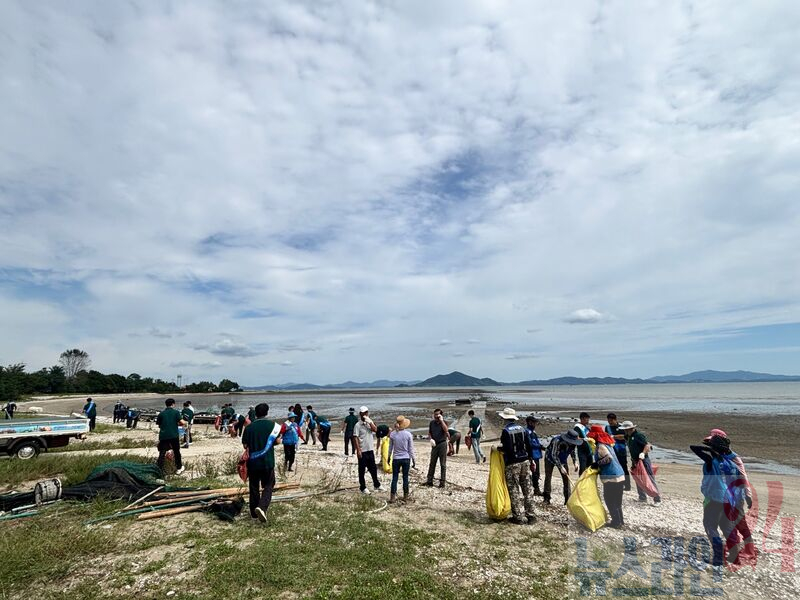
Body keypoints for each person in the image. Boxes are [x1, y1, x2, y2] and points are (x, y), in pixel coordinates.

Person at [690, 433, 748, 567]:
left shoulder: (712, 461)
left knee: (710, 526)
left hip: (715, 499)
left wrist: (711, 450)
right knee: (727, 528)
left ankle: (719, 558)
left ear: (714, 447)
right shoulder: (732, 465)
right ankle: (735, 558)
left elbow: (693, 448)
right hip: (730, 500)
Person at [242, 403, 281, 522]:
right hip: (267, 461)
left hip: (253, 462)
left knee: (254, 487)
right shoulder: (273, 425)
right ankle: (262, 507)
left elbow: (245, 445)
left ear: (256, 413)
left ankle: (254, 514)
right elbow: (277, 441)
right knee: (268, 485)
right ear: (267, 412)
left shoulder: (249, 427)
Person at [497, 408, 536, 524]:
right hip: (525, 461)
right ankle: (531, 515)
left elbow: (507, 448)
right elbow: (529, 445)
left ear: (505, 418)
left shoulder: (506, 431)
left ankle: (518, 517)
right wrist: (531, 459)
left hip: (513, 463)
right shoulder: (523, 429)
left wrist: (498, 449)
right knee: (527, 488)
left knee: (514, 489)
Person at [588, 425, 625, 528]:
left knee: (609, 499)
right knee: (617, 501)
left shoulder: (600, 446)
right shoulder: (608, 444)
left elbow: (608, 458)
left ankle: (616, 522)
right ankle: (620, 521)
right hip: (620, 475)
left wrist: (597, 464)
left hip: (611, 476)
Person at [619, 421, 661, 504]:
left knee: (649, 479)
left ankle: (657, 499)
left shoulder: (638, 436)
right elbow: (621, 437)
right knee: (638, 479)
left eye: (625, 429)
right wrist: (612, 436)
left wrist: (643, 453)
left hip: (643, 460)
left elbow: (647, 445)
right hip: (635, 461)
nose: (624, 431)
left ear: (629, 429)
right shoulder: (629, 436)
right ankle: (642, 497)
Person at [543, 430, 582, 505]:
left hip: (562, 459)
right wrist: (560, 467)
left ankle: (568, 500)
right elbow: (554, 455)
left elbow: (572, 452)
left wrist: (575, 462)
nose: (573, 443)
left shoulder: (573, 443)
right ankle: (546, 498)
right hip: (550, 458)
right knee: (548, 477)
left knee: (566, 478)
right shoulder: (557, 441)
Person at [353, 406, 381, 494]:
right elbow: (355, 438)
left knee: (373, 468)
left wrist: (370, 422)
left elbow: (375, 430)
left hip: (370, 449)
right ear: (360, 414)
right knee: (361, 470)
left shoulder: (369, 423)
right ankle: (363, 487)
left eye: (366, 413)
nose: (365, 414)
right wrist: (358, 450)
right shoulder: (357, 425)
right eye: (363, 413)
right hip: (363, 450)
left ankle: (376, 484)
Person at [388, 415, 415, 503]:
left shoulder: (392, 434)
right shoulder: (408, 434)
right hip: (406, 458)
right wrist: (413, 459)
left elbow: (390, 448)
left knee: (395, 478)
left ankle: (392, 497)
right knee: (405, 477)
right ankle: (405, 496)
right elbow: (410, 449)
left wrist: (388, 457)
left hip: (396, 458)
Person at [156, 398, 186, 474]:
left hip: (163, 435)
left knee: (162, 453)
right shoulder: (176, 412)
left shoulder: (161, 413)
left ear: (166, 404)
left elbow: (159, 425)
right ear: (173, 404)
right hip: (173, 435)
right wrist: (182, 423)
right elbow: (182, 422)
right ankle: (179, 468)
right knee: (176, 451)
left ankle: (159, 470)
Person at [605, 413, 631, 491]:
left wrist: (614, 436)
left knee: (624, 467)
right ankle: (618, 484)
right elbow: (606, 437)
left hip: (621, 450)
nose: (610, 422)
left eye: (611, 420)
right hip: (612, 451)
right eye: (608, 421)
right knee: (614, 467)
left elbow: (625, 437)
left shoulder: (621, 427)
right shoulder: (607, 427)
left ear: (615, 419)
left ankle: (627, 485)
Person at [425, 409, 449, 488]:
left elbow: (446, 430)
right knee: (432, 463)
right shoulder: (432, 423)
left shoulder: (444, 422)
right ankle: (429, 480)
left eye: (437, 414)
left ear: (441, 415)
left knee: (443, 464)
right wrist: (430, 439)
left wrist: (441, 421)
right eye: (435, 414)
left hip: (442, 444)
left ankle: (442, 482)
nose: (436, 416)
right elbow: (429, 433)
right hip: (434, 444)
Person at [525, 415, 544, 496]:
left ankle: (535, 488)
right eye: (534, 423)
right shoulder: (527, 432)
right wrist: (540, 446)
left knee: (536, 473)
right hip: (532, 454)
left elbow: (536, 441)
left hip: (536, 454)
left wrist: (541, 446)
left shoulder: (533, 432)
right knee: (534, 472)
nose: (535, 424)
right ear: (530, 422)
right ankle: (536, 489)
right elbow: (530, 444)